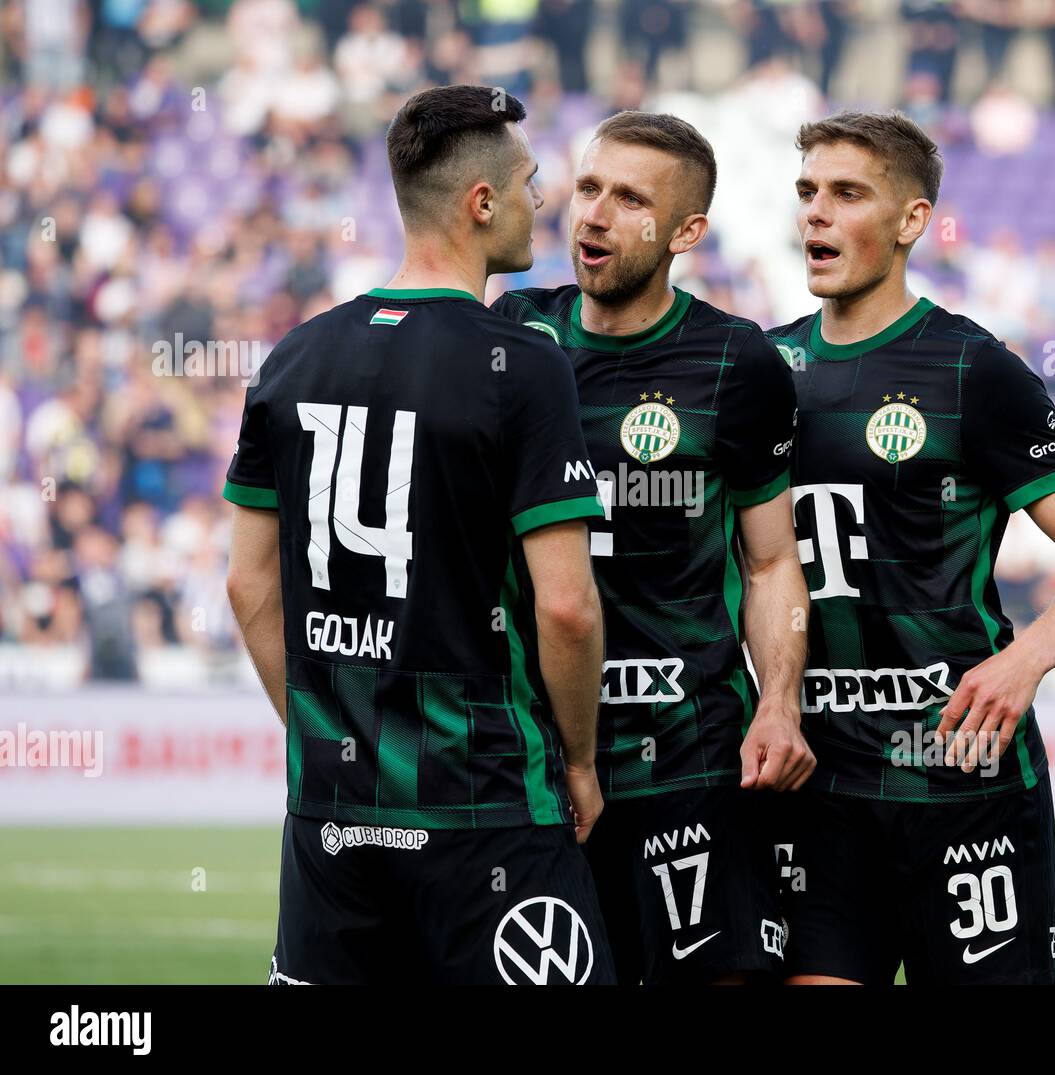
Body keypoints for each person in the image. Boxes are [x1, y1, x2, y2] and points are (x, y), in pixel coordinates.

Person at [224, 85, 614, 985]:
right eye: (528, 181)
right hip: (486, 806)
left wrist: (335, 737)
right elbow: (564, 605)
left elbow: (248, 587)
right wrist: (583, 762)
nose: (540, 200)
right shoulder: (522, 363)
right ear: (482, 204)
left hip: (332, 818)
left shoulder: (295, 355)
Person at [767, 110, 1055, 984]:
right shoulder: (762, 369)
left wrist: (1025, 663)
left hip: (964, 778)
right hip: (823, 786)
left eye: (847, 193)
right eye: (807, 193)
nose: (816, 213)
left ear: (911, 221)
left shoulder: (974, 369)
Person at [493, 111, 814, 984]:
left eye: (629, 198)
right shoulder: (516, 337)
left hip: (691, 756)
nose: (593, 213)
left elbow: (772, 560)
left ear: (685, 231)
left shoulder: (735, 362)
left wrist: (778, 702)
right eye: (588, 186)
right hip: (539, 766)